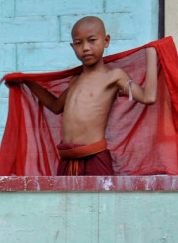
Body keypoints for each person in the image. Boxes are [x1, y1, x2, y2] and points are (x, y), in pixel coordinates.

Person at [20, 16, 158, 176]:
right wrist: (28, 83)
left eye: (92, 40)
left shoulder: (114, 76)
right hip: (67, 160)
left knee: (98, 201)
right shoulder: (75, 81)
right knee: (65, 201)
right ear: (73, 47)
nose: (85, 48)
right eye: (79, 43)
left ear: (106, 41)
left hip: (94, 158)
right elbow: (56, 106)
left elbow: (148, 97)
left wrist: (151, 54)